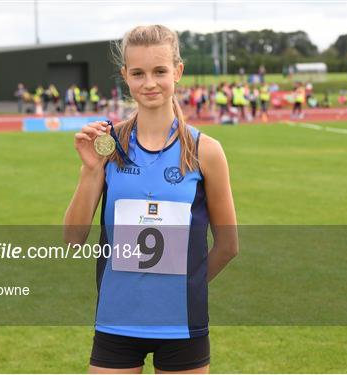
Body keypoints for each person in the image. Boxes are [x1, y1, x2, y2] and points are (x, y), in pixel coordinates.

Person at [64, 24, 238, 374]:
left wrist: (182, 287)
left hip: (180, 323)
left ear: (178, 71)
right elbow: (72, 239)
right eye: (138, 73)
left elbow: (228, 245)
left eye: (160, 71)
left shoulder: (207, 151)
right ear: (125, 75)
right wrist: (90, 170)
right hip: (116, 319)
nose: (149, 83)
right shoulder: (108, 147)